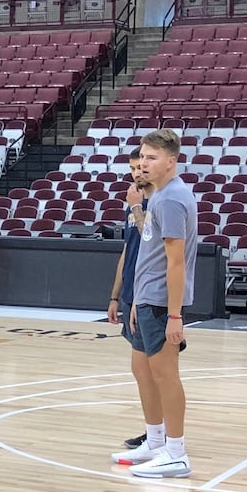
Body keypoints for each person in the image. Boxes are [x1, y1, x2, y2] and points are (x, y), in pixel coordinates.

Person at [110, 129, 199, 479]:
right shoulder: (159, 197)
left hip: (163, 304)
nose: (143, 164)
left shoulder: (172, 199)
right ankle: (156, 440)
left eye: (152, 158)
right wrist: (136, 299)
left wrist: (175, 314)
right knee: (142, 370)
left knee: (166, 375)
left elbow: (176, 262)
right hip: (146, 299)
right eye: (142, 157)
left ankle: (176, 453)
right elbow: (149, 256)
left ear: (171, 162)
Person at [110, 149, 155, 452]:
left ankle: (162, 436)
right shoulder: (134, 206)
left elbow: (153, 240)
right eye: (133, 169)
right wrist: (115, 295)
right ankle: (155, 430)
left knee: (155, 370)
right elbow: (129, 249)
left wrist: (137, 208)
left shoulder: (156, 204)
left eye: (141, 167)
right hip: (130, 295)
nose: (137, 173)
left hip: (151, 296)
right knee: (141, 370)